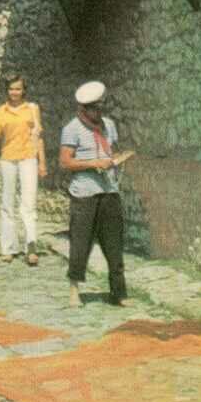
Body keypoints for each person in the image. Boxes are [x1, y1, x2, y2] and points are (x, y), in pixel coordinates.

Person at [59, 81, 128, 308]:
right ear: (84, 108)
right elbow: (65, 162)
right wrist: (92, 164)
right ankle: (74, 290)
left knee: (114, 243)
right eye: (94, 109)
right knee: (81, 243)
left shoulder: (108, 125)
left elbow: (112, 150)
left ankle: (118, 292)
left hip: (109, 190)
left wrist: (116, 160)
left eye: (101, 108)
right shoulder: (72, 128)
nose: (98, 113)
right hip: (85, 193)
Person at [0, 74, 46, 266]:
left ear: (23, 90)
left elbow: (38, 137)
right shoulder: (0, 111)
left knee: (29, 203)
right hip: (8, 159)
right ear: (6, 90)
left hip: (28, 158)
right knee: (7, 203)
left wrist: (42, 163)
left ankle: (31, 247)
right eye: (11, 89)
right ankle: (7, 248)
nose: (14, 92)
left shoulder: (33, 109)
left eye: (18, 88)